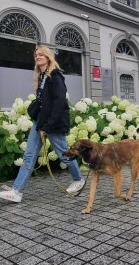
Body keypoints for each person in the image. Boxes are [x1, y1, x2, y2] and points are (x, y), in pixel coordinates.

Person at [0, 46, 84, 203]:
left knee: (64, 154)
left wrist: (48, 126)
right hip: (40, 121)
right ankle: (17, 192)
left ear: (48, 57)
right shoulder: (42, 76)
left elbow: (59, 104)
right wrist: (40, 122)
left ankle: (78, 179)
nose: (37, 57)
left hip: (53, 123)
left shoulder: (55, 77)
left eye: (40, 55)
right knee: (29, 155)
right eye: (35, 55)